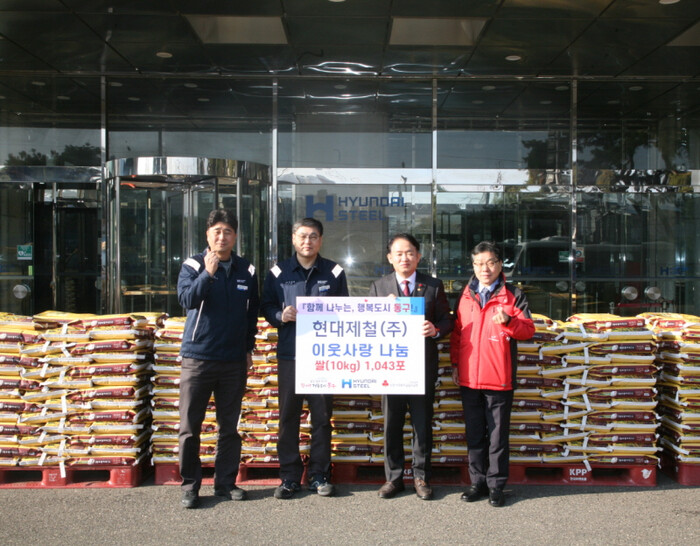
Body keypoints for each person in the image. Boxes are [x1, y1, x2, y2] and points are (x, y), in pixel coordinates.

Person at [261, 217, 349, 499]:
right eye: (302, 236)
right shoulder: (278, 272)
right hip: (291, 354)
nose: (307, 241)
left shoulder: (334, 272)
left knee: (322, 418)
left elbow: (345, 309)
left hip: (323, 357)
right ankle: (289, 477)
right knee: (288, 417)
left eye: (313, 236)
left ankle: (319, 475)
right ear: (293, 239)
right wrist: (280, 315)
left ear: (320, 240)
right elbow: (266, 305)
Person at [177, 209, 259, 509]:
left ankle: (226, 483)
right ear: (207, 235)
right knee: (190, 426)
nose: (222, 237)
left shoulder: (247, 270)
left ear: (235, 236)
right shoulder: (192, 265)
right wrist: (207, 274)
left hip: (233, 361)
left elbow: (252, 313)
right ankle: (190, 486)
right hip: (198, 357)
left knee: (229, 427)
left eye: (227, 232)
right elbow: (187, 299)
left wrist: (248, 349)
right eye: (217, 231)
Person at [369, 233, 454, 501]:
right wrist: (381, 312)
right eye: (399, 253)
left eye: (409, 253)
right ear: (390, 258)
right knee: (391, 424)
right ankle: (393, 478)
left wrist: (436, 329)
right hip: (391, 367)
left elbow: (447, 320)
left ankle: (421, 477)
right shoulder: (379, 287)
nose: (404, 258)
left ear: (418, 256)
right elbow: (366, 325)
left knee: (421, 424)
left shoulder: (433, 285)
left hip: (421, 366)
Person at [450, 241, 535, 507]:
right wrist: (455, 365)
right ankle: (477, 482)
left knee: (497, 437)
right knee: (474, 434)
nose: (483, 269)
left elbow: (528, 330)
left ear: (500, 264)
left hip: (499, 377)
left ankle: (496, 485)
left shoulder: (513, 294)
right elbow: (457, 333)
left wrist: (509, 321)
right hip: (469, 377)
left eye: (489, 263)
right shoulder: (465, 294)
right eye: (478, 263)